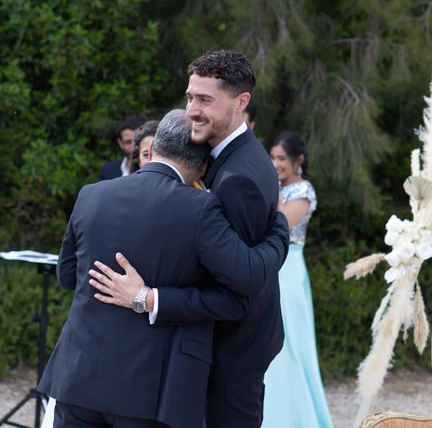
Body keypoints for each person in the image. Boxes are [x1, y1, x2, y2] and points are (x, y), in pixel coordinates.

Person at [37, 109, 289, 428]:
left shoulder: (91, 195)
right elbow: (237, 291)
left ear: (152, 149)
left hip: (78, 376)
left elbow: (67, 275)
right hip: (147, 389)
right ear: (202, 167)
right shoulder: (200, 209)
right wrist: (279, 226)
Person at [92, 49, 285, 428]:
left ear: (241, 102)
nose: (192, 109)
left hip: (231, 352)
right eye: (190, 96)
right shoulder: (226, 155)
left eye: (205, 100)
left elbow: (236, 291)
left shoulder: (239, 177)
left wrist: (145, 298)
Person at [262, 131, 332, 427]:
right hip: (271, 265)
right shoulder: (273, 187)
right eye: (272, 157)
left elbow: (281, 226)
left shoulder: (302, 191)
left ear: (297, 160)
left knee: (288, 342)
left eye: (281, 158)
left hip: (288, 267)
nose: (275, 164)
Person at [99, 113, 147, 180]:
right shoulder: (108, 172)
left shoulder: (155, 171)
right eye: (128, 142)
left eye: (137, 140)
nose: (134, 147)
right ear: (120, 143)